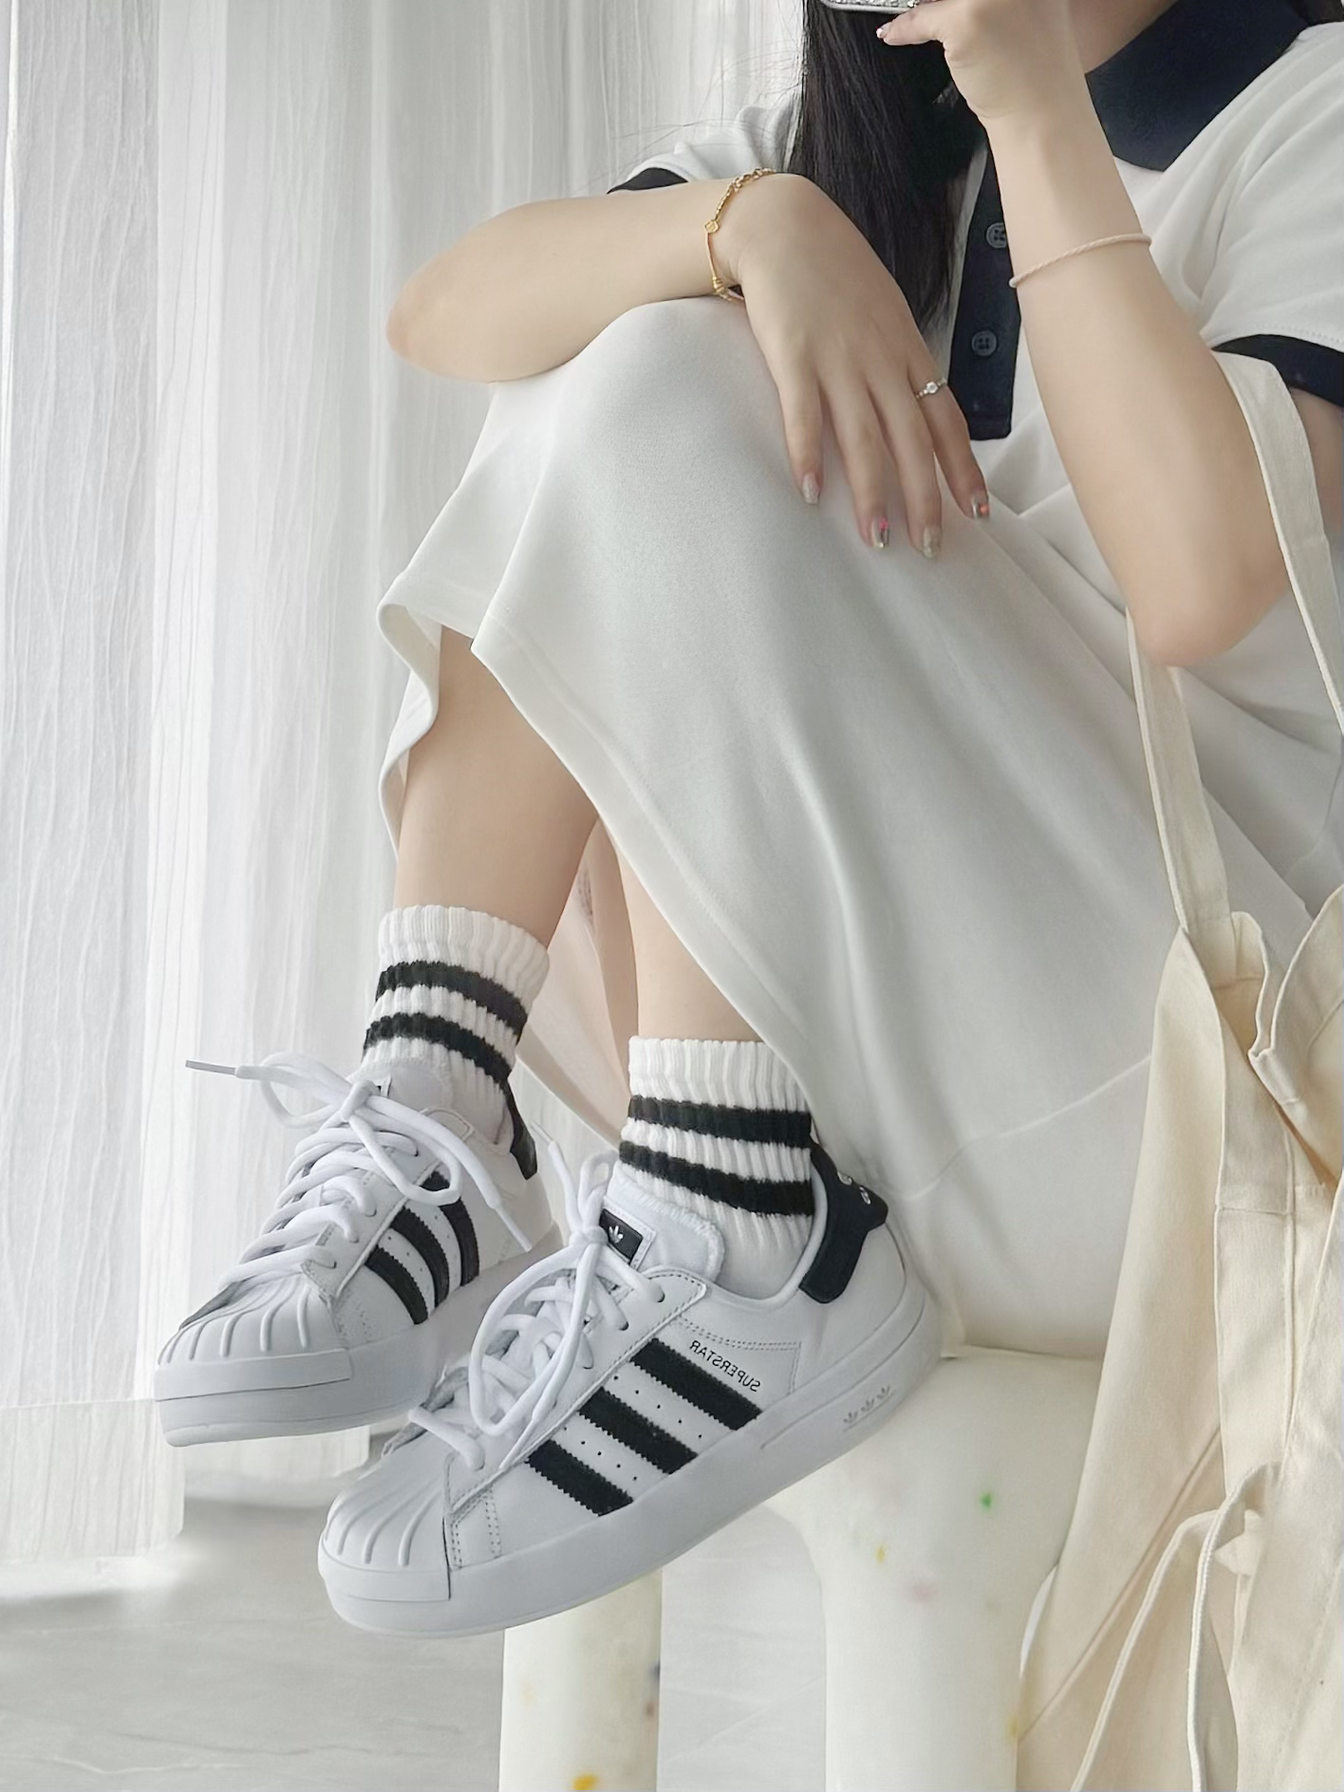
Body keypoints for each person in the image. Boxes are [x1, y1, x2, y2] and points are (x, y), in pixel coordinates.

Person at [156, 0, 1343, 1640]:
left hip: (1206, 1113)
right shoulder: (872, 166)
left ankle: (739, 1224)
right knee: (606, 336)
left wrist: (1031, 107)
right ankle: (445, 1096)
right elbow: (441, 311)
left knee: (661, 365)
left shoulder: (1309, 110)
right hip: (909, 1082)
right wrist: (751, 225)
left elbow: (1201, 578)